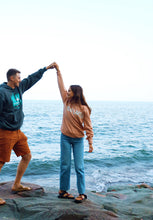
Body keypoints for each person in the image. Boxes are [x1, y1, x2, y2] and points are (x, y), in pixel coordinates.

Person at [0, 63, 55, 205]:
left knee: (27, 156)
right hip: (5, 132)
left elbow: (31, 79)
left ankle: (16, 185)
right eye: (18, 78)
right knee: (0, 162)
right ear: (11, 78)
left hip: (18, 132)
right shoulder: (1, 93)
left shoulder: (19, 88)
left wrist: (45, 69)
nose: (20, 80)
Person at [54, 63, 94, 203]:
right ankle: (63, 191)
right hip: (65, 137)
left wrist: (90, 143)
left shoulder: (84, 109)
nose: (67, 92)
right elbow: (60, 85)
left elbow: (88, 127)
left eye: (70, 91)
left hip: (78, 140)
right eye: (68, 91)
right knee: (65, 165)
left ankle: (81, 193)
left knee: (79, 167)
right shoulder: (66, 101)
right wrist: (58, 71)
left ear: (75, 93)